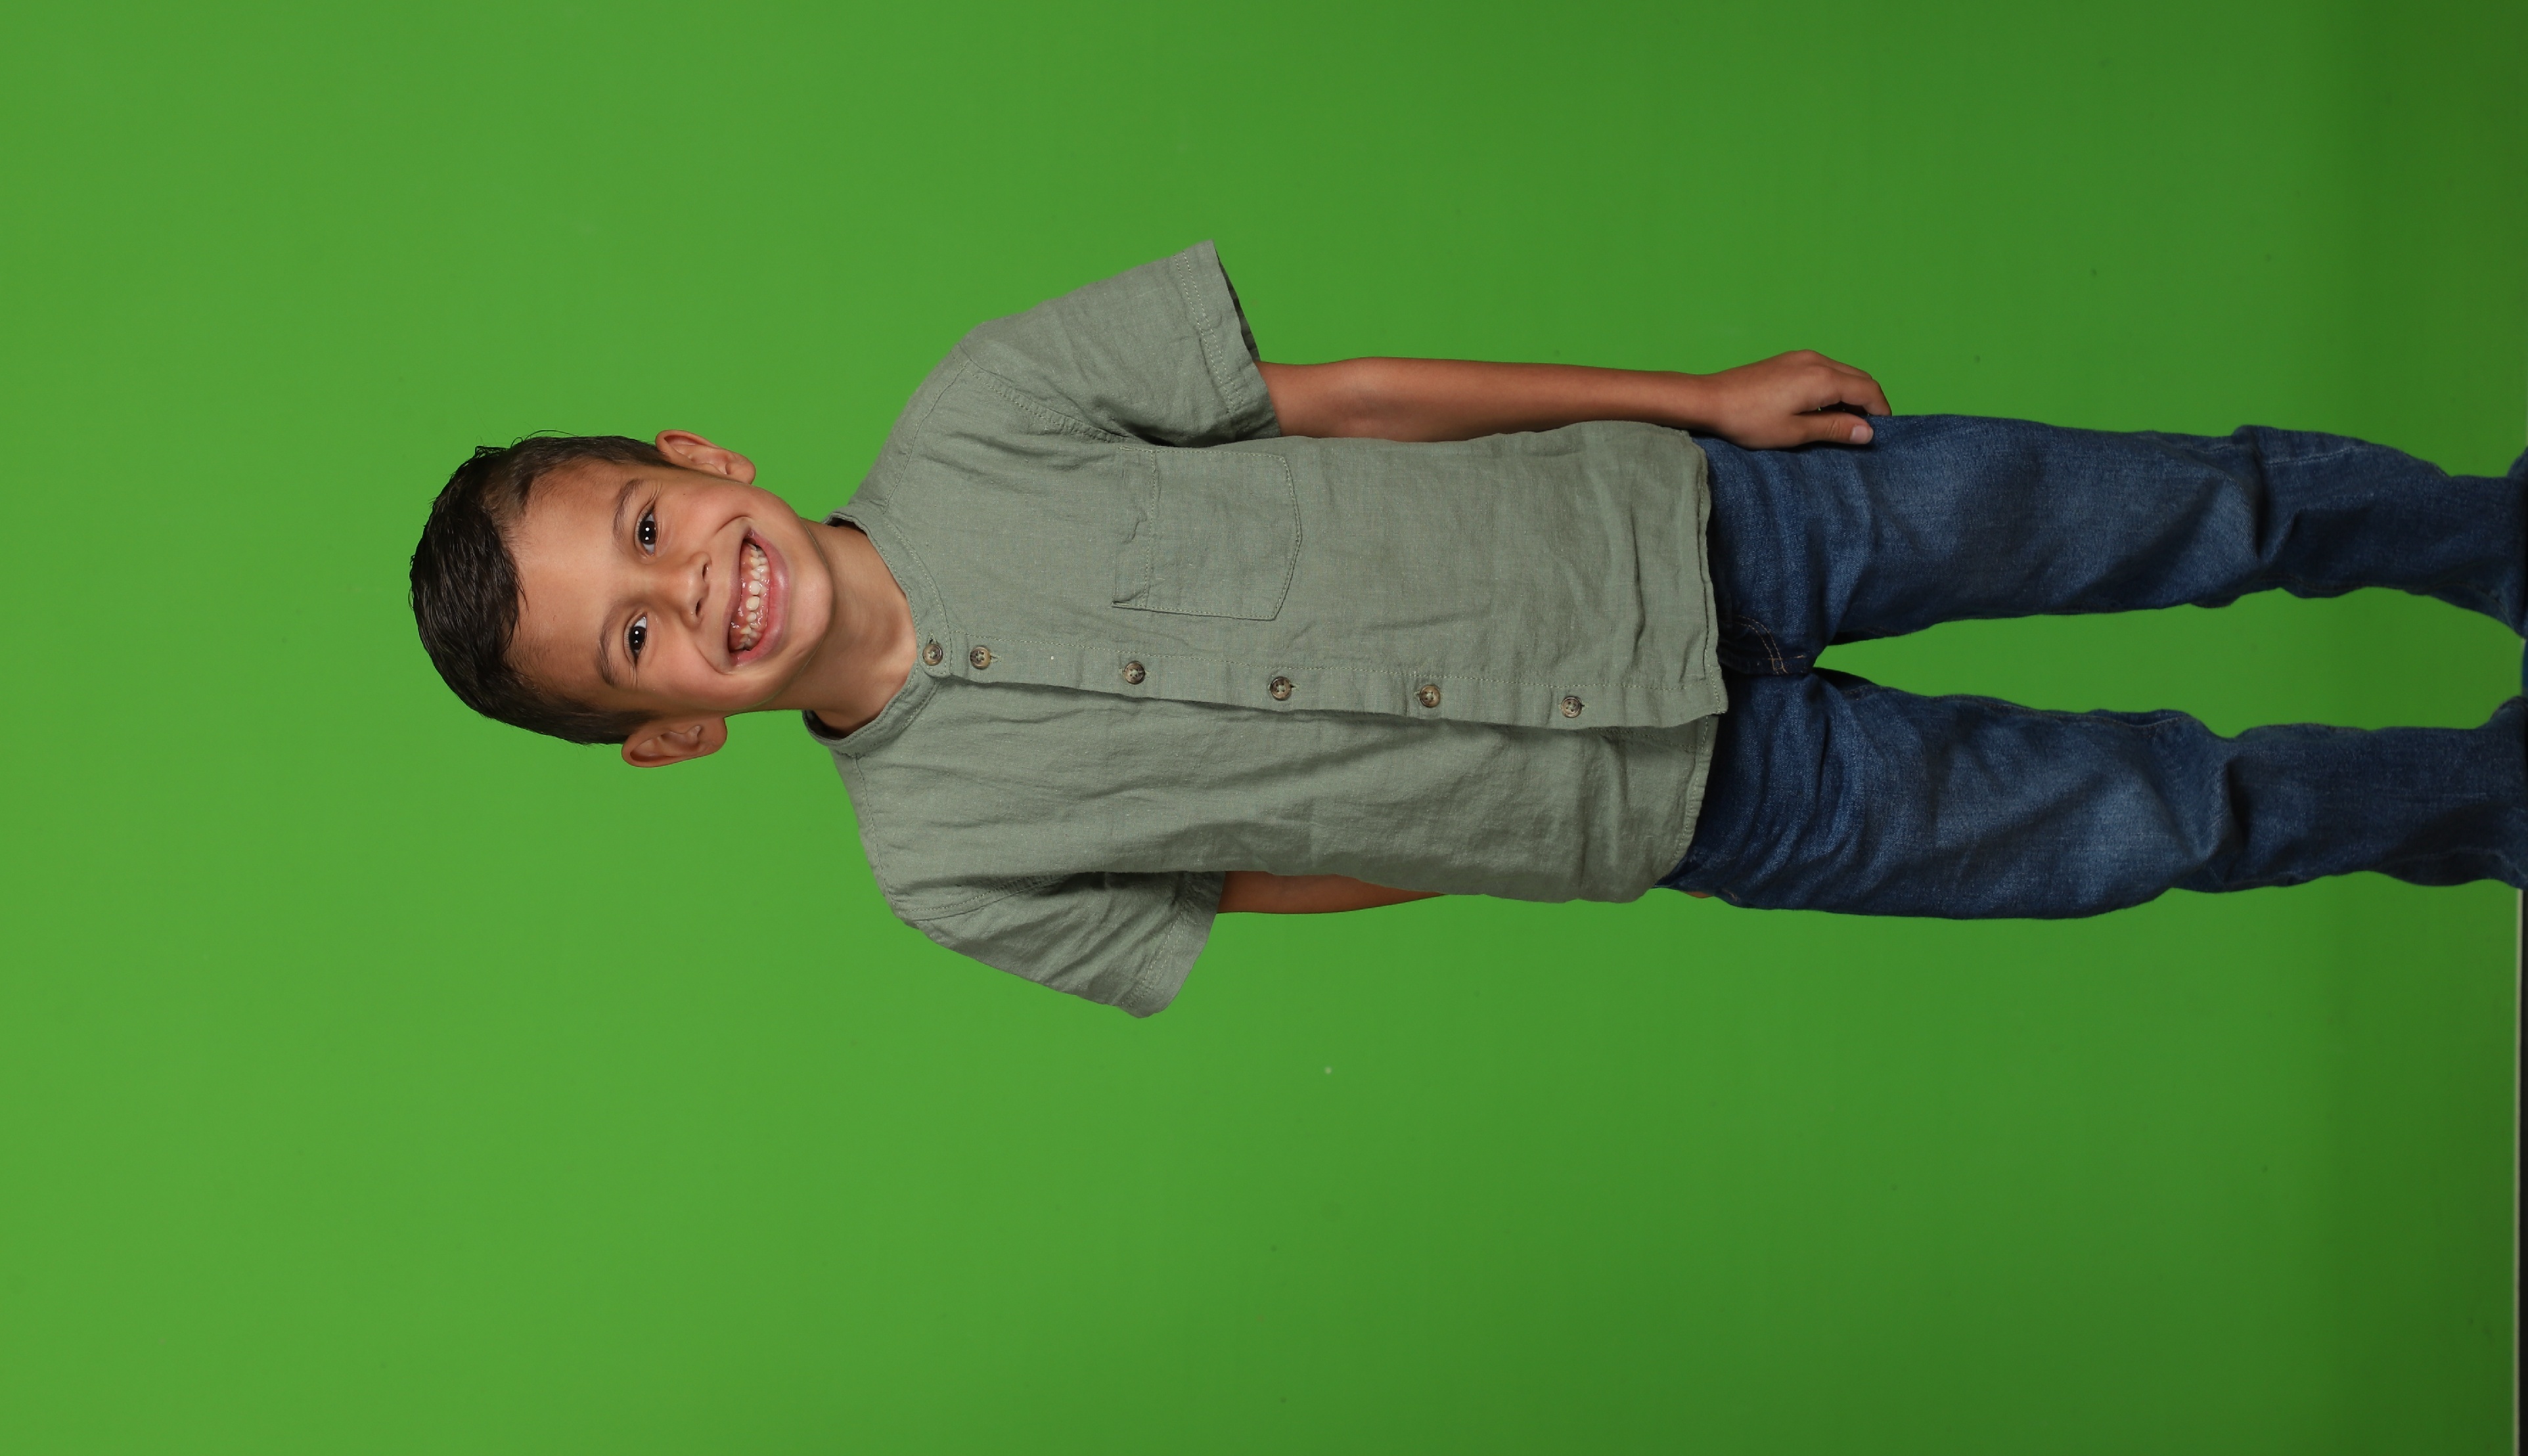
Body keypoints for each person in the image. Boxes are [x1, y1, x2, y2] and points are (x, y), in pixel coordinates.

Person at [409, 243, 2527, 1015]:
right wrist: (1519, 831)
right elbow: (1259, 882)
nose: (692, 590)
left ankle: (2495, 539)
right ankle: (2494, 806)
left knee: (2197, 511)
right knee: (2162, 822)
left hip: (1700, 528)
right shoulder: (940, 869)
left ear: (696, 454)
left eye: (650, 528)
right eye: (636, 645)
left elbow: (1344, 399)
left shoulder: (985, 403)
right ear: (667, 736)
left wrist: (1695, 402)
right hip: (1695, 806)